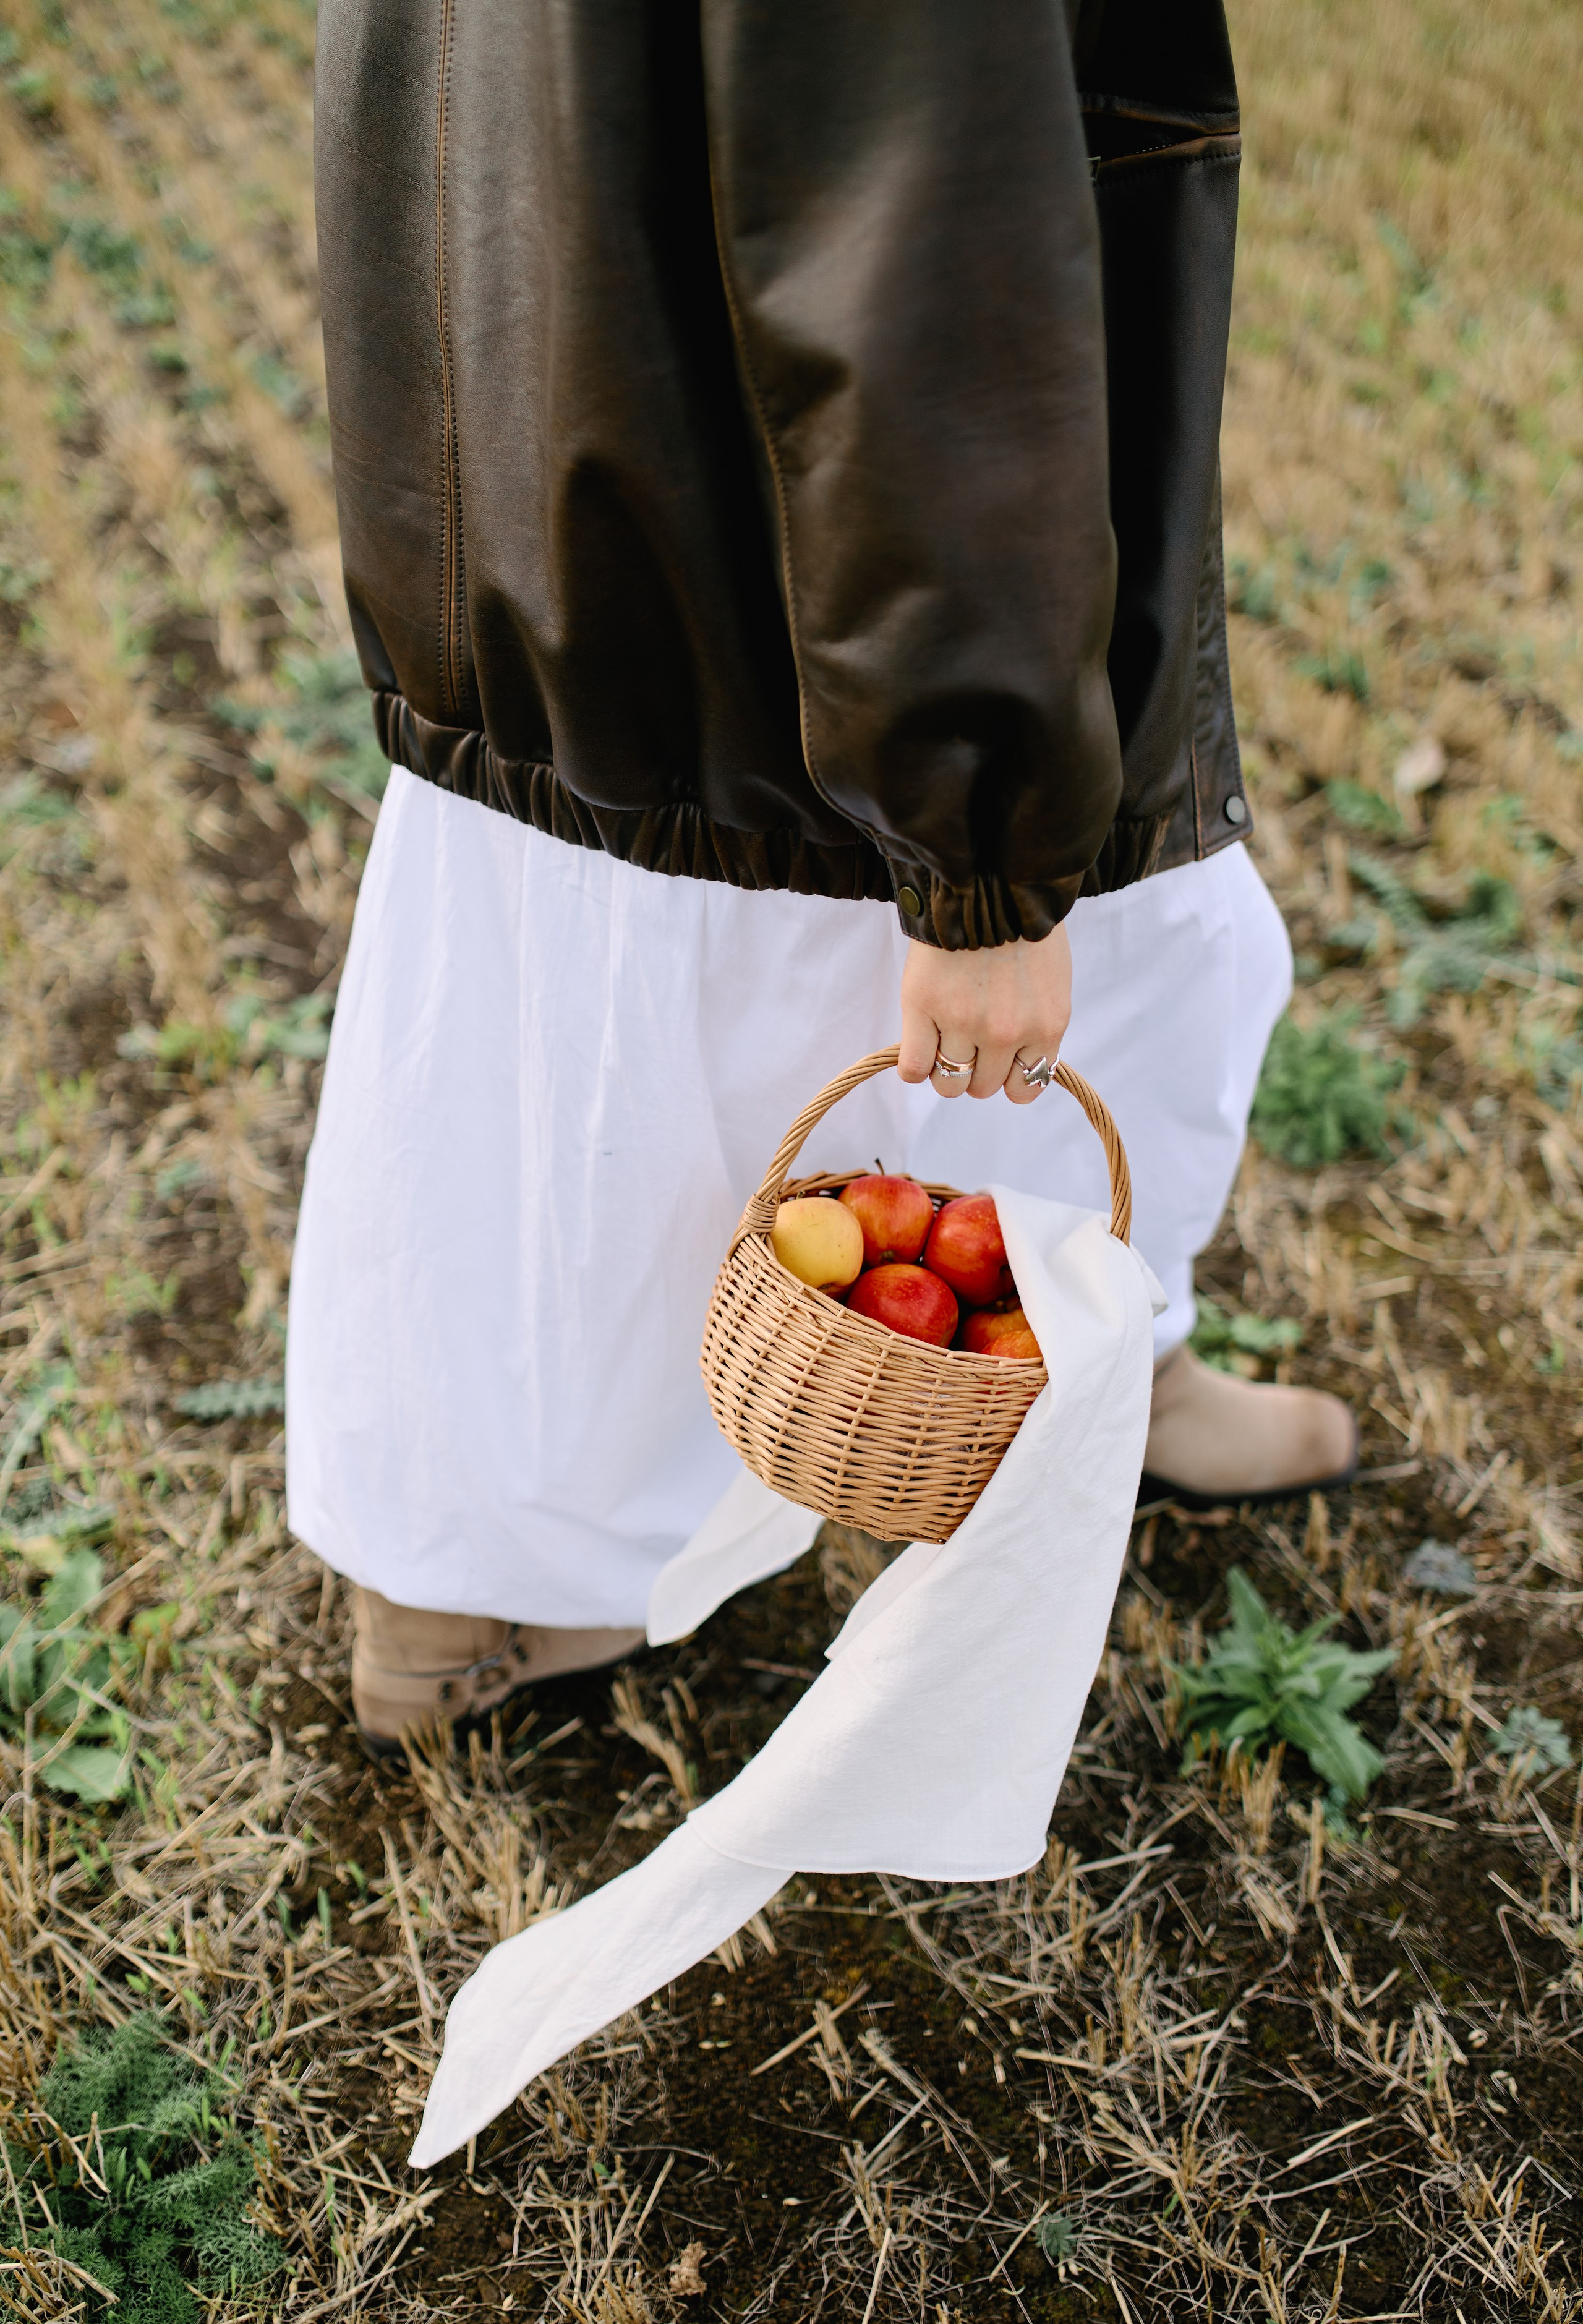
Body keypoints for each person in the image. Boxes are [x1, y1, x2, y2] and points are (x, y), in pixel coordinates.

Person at [291, 0, 1356, 1752]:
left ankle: (1094, 1358)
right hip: (779, 524)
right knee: (793, 985)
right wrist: (984, 850)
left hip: (567, 343)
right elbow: (917, 238)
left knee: (567, 1007)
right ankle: (490, 1580)